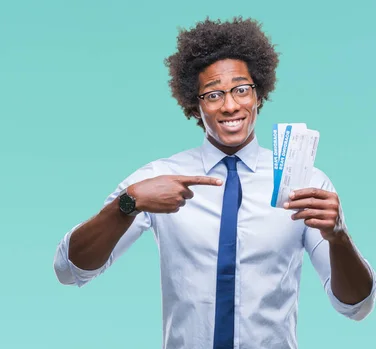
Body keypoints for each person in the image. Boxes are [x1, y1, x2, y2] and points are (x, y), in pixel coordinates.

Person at [52, 17, 375, 349]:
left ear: (259, 94)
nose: (230, 105)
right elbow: (69, 269)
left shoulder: (305, 182)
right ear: (195, 105)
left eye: (241, 89)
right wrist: (127, 204)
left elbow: (357, 306)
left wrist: (338, 238)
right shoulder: (158, 177)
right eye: (213, 94)